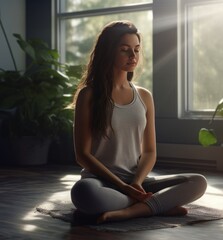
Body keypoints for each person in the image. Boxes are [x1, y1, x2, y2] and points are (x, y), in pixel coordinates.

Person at [70, 20, 207, 224]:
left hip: (138, 182)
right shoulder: (88, 95)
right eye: (125, 50)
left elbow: (150, 151)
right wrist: (123, 187)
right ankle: (155, 205)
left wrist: (135, 183)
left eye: (136, 49)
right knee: (83, 193)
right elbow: (83, 155)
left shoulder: (144, 96)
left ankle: (132, 210)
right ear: (108, 52)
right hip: (100, 183)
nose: (133, 56)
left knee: (197, 181)